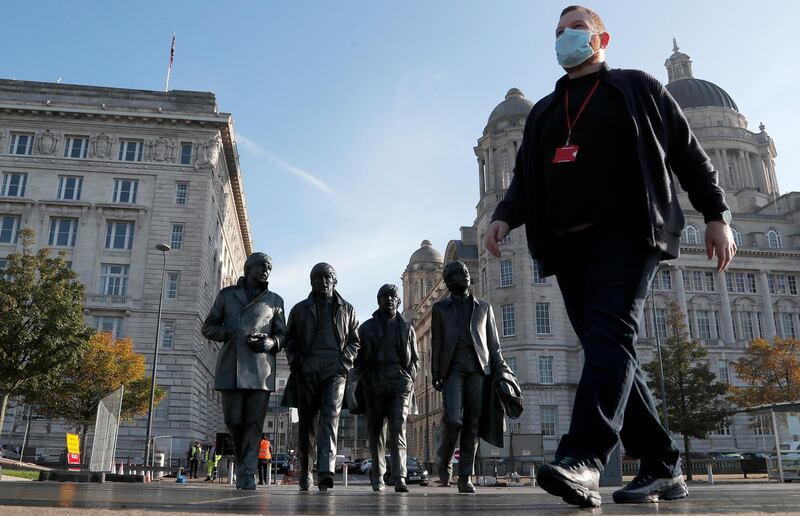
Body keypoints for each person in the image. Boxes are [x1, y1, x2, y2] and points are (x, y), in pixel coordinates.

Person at [484, 5, 736, 508]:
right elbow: (525, 178)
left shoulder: (636, 86)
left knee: (609, 334)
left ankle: (583, 457)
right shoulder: (545, 112)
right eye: (558, 32)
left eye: (576, 28)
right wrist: (505, 215)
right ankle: (663, 466)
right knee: (610, 347)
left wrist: (717, 214)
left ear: (603, 38)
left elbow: (688, 153)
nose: (566, 38)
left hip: (628, 232)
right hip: (566, 243)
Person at [202, 252, 287, 490]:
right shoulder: (227, 295)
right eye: (261, 266)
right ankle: (243, 464)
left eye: (269, 267)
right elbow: (208, 327)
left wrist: (271, 343)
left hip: (261, 371)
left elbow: (283, 334)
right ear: (248, 268)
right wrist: (231, 331)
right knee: (233, 421)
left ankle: (247, 473)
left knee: (253, 424)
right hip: (231, 367)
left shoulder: (275, 300)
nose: (265, 271)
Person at [431, 261, 516, 494]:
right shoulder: (440, 309)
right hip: (452, 369)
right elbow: (436, 342)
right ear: (449, 281)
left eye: (466, 272)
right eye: (459, 273)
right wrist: (436, 372)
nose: (465, 275)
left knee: (472, 424)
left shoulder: (484, 307)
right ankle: (445, 456)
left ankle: (465, 476)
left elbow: (494, 345)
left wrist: (503, 371)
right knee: (454, 419)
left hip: (480, 369)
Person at [282, 262, 360, 491]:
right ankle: (305, 473)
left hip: (335, 369)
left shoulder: (348, 309)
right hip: (307, 369)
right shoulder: (299, 309)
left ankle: (325, 471)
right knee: (307, 425)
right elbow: (290, 340)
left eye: (327, 278)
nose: (323, 282)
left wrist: (344, 362)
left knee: (330, 416)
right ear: (311, 282)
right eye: (318, 278)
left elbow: (355, 341)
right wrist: (298, 363)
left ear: (334, 281)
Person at [355, 284, 420, 492]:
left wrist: (409, 378)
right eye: (384, 296)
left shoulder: (407, 328)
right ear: (378, 300)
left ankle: (400, 476)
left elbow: (415, 360)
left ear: (398, 301)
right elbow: (358, 359)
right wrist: (365, 376)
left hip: (400, 381)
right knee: (376, 432)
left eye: (393, 296)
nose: (389, 299)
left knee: (398, 427)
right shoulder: (365, 328)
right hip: (374, 381)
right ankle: (378, 476)